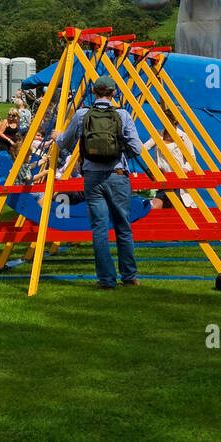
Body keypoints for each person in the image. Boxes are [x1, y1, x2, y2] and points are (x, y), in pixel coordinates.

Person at [51, 76, 149, 289]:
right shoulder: (122, 115)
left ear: (93, 93)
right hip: (118, 174)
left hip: (92, 177)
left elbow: (64, 142)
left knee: (99, 228)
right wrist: (119, 152)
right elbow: (137, 148)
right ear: (113, 93)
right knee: (123, 226)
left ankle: (106, 279)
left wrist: (57, 135)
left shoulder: (81, 115)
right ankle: (129, 276)